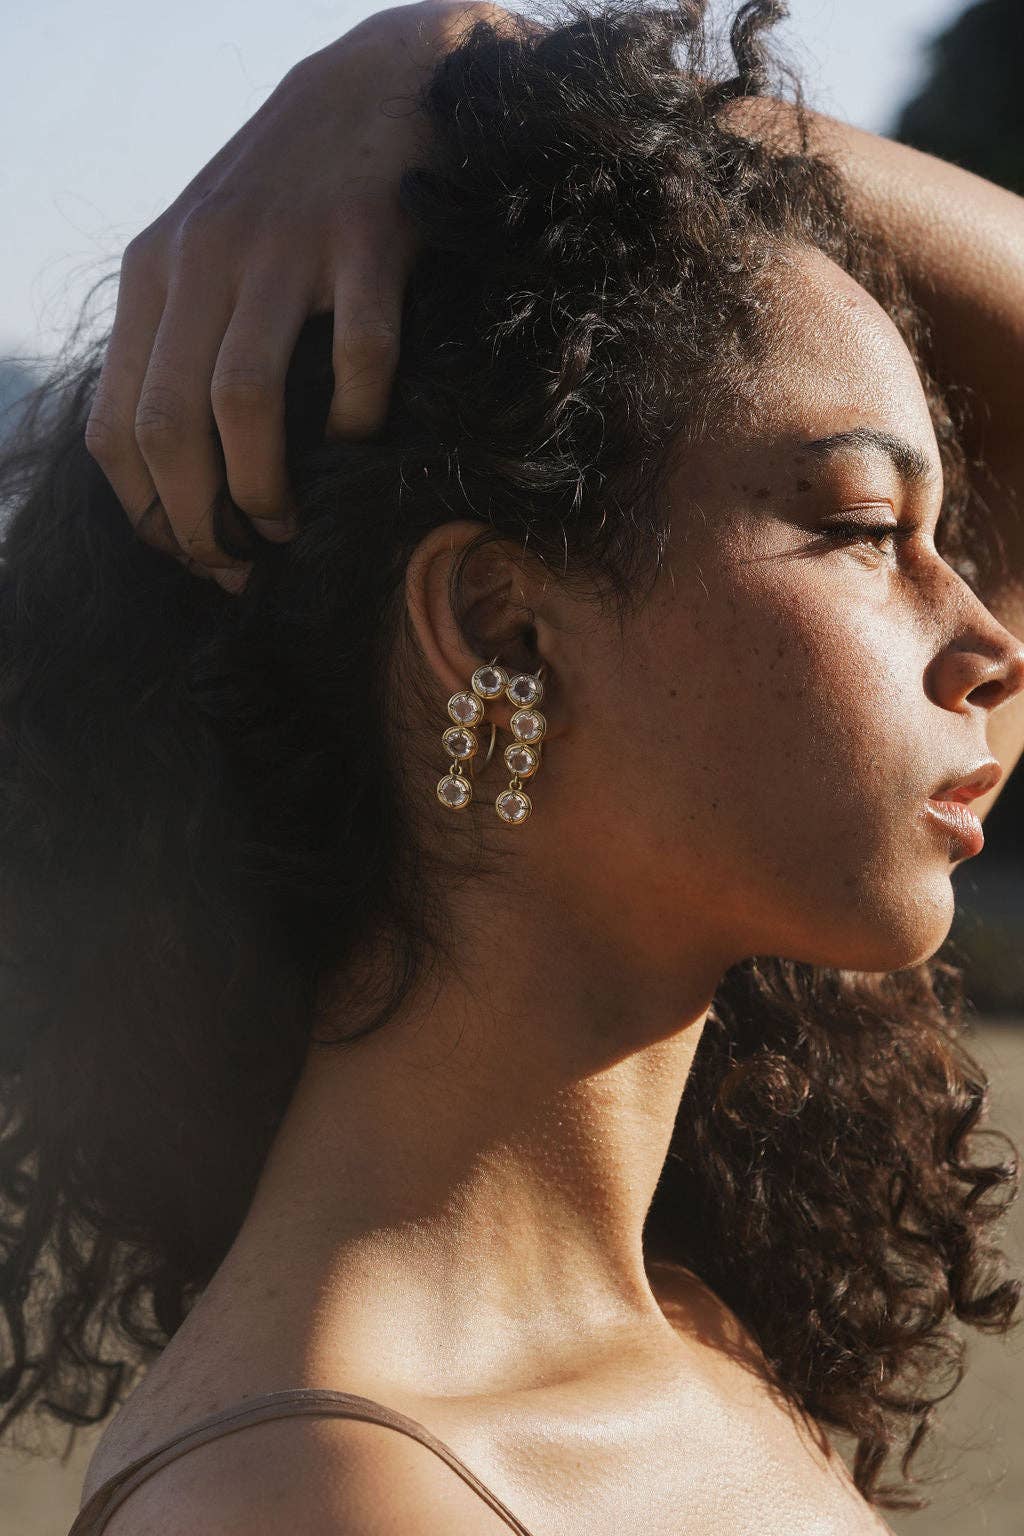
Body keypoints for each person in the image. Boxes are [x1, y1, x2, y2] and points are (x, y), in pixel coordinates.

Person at [1, 1, 1023, 1531]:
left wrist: (504, 86)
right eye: (867, 528)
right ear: (503, 633)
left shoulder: (682, 1327)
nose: (987, 642)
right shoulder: (323, 1497)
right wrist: (525, 107)